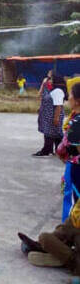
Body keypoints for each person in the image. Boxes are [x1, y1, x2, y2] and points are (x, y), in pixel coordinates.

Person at [60, 81, 80, 222]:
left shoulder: (76, 122)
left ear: (78, 100)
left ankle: (68, 235)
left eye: (71, 94)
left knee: (72, 200)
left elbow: (74, 148)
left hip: (76, 166)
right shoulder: (74, 118)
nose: (68, 97)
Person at [33, 75, 67, 157]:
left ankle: (47, 150)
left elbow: (58, 106)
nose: (50, 80)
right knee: (55, 133)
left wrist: (56, 118)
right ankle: (58, 150)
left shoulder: (58, 91)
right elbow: (43, 97)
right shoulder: (53, 90)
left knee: (50, 133)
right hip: (49, 115)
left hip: (53, 116)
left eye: (51, 79)